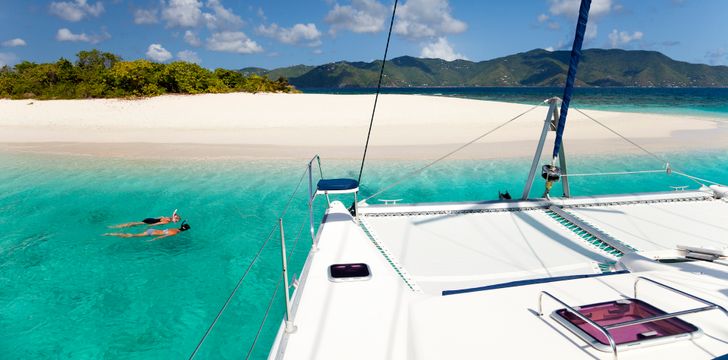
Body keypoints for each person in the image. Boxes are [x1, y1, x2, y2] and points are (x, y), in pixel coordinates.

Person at [104, 221, 191, 241]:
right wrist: (153, 240)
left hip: (153, 230)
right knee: (132, 236)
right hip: (151, 233)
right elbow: (163, 236)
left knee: (134, 235)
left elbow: (164, 232)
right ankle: (112, 234)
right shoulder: (175, 232)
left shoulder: (174, 229)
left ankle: (113, 232)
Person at [109, 209, 180, 228]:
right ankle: (119, 226)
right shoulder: (167, 221)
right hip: (150, 222)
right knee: (135, 224)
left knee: (135, 223)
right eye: (176, 220)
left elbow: (158, 218)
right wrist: (149, 226)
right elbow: (157, 223)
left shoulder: (167, 217)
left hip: (150, 219)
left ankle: (119, 226)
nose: (176, 221)